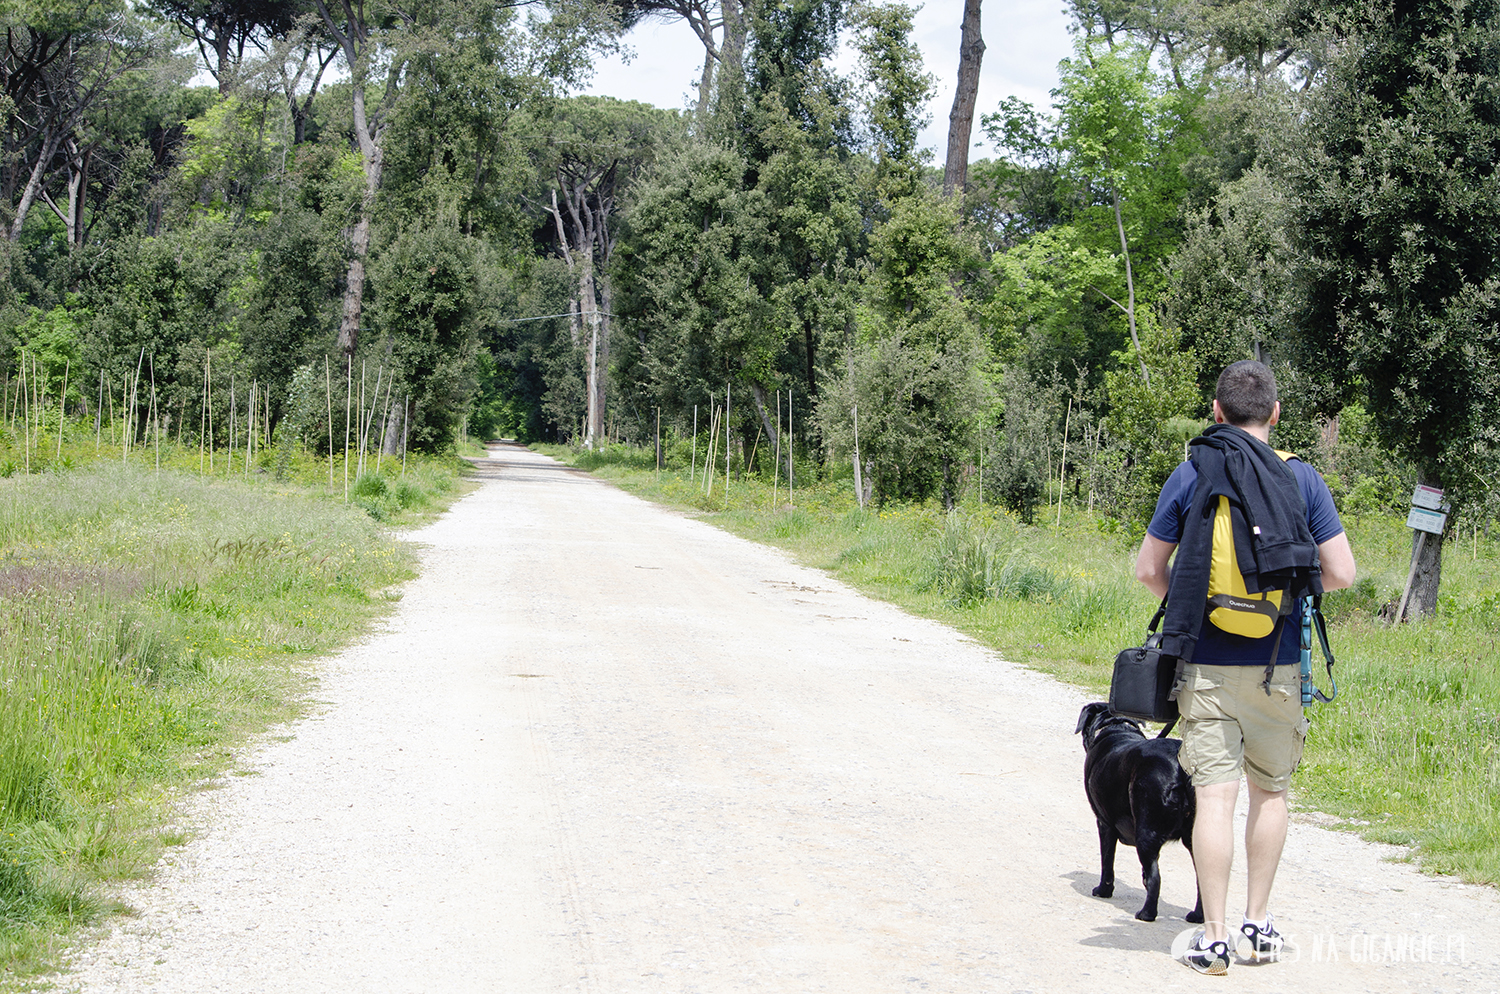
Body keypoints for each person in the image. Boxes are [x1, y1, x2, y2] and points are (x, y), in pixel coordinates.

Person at [1133, 360, 1356, 975]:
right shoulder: (1302, 479)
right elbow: (1340, 573)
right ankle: (1258, 926)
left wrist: (1195, 607)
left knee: (1214, 801)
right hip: (1277, 670)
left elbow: (1149, 570)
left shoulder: (1190, 473)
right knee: (1271, 795)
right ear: (1275, 414)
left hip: (1205, 668)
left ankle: (1215, 938)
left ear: (1216, 411)